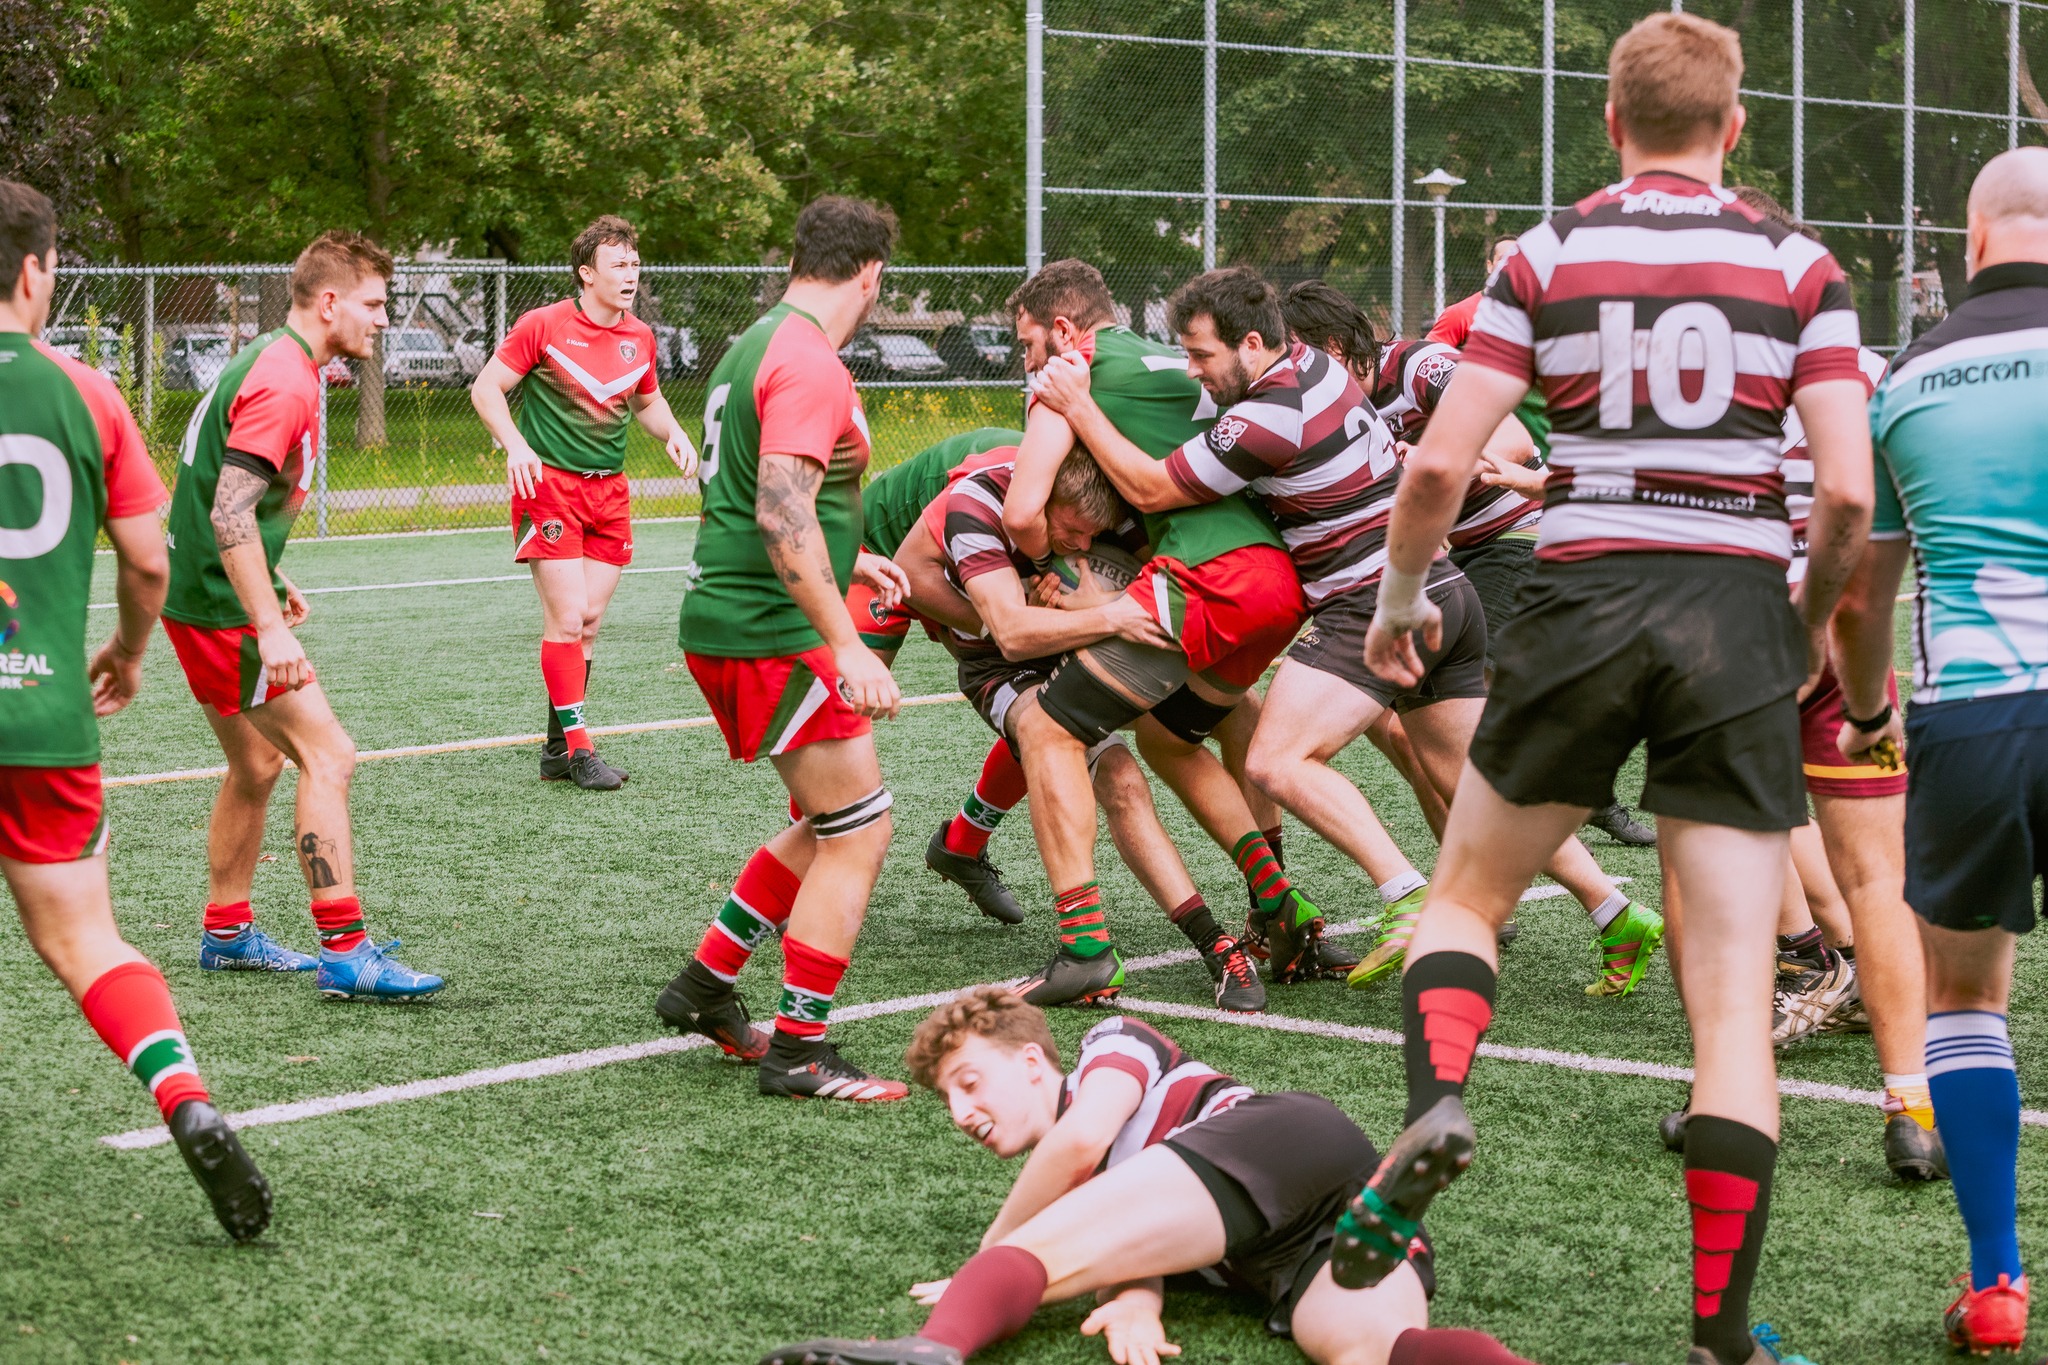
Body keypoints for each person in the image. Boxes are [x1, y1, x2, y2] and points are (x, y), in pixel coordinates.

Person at [1334, 18, 1875, 1365]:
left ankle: (1439, 1104)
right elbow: (1851, 495)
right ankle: (1721, 1337)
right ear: (1735, 125)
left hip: (1579, 595)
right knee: (1735, 990)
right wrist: (1804, 620)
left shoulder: (1545, 252)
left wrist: (1396, 614)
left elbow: (1437, 470)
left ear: (1611, 121)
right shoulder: (1801, 264)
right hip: (1734, 612)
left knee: (1465, 894)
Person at [1245, 279, 1661, 996]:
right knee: (1449, 761)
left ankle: (1463, 887)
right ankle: (1608, 909)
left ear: (1337, 350)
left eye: (1303, 356)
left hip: (1507, 538)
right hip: (1431, 563)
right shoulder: (1315, 408)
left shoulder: (1419, 366)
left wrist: (1423, 460)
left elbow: (1513, 436)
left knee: (1481, 743)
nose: (1294, 374)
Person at [759, 986, 1542, 1365]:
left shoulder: (1110, 1044)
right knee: (1374, 1350)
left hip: (1281, 1139)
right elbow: (1149, 1229)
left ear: (1033, 1060)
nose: (960, 1111)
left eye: (967, 1081)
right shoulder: (1105, 1192)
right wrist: (1133, 1299)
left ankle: (933, 1349)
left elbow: (1082, 1143)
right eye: (947, 1100)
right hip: (1303, 1242)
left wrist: (985, 1255)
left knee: (1043, 1253)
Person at [0, 178, 269, 1240]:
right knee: (87, 940)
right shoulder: (87, 393)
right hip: (46, 717)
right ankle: (185, 1099)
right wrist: (125, 648)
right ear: (36, 269)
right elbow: (151, 559)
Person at [1832, 144, 2048, 1353]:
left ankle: (1995, 1284)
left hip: (1970, 714)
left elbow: (1863, 598)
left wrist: (1866, 718)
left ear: (1970, 244)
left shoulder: (1902, 375)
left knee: (1965, 1002)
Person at [1000, 259, 1344, 987]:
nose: (1027, 364)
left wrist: (1038, 571)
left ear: (1065, 331)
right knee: (1169, 735)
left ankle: (1085, 949)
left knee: (1046, 728)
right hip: (1280, 579)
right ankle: (1278, 904)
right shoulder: (1181, 359)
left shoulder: (1074, 370)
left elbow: (1023, 510)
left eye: (1029, 345)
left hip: (1210, 576)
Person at [657, 196, 914, 1103]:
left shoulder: (757, 340)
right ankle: (801, 1049)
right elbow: (779, 508)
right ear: (872, 274)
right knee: (861, 829)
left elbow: (760, 494)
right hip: (776, 629)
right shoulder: (810, 360)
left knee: (826, 816)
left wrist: (856, 555)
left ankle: (704, 985)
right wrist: (846, 641)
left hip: (733, 618)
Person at [162, 230, 445, 1000]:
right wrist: (268, 621)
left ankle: (226, 931)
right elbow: (229, 511)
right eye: (374, 303)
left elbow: (218, 498)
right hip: (219, 609)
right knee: (331, 755)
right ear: (329, 302)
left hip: (199, 595)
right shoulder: (288, 379)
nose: (384, 319)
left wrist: (271, 576)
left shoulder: (276, 359)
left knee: (257, 763)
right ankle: (346, 949)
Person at [893, 445, 1267, 1012]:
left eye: (1097, 534)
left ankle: (1260, 911)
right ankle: (1108, 947)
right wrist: (1102, 613)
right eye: (1073, 531)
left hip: (1070, 636)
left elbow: (1159, 579)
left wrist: (1094, 603)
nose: (1086, 544)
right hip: (999, 665)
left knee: (1238, 708)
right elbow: (1008, 633)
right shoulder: (976, 508)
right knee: (1116, 774)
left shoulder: (1095, 498)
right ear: (1041, 505)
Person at [470, 215, 699, 791]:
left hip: (610, 491)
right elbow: (485, 388)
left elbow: (647, 404)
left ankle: (554, 748)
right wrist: (516, 445)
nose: (630, 275)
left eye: (635, 264)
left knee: (589, 623)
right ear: (586, 273)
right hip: (548, 487)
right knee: (567, 618)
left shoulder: (639, 337)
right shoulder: (544, 324)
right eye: (618, 265)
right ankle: (578, 751)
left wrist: (672, 432)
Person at [854, 427, 1032, 924]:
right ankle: (800, 873)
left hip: (956, 559)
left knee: (1051, 711)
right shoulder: (1003, 478)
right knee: (847, 704)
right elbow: (925, 565)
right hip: (881, 547)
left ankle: (962, 845)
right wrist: (995, 626)